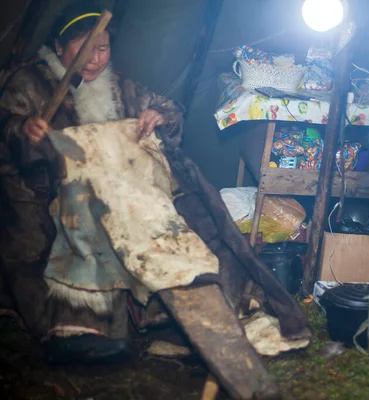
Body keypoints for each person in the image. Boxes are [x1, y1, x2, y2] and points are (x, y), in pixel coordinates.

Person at [0, 2, 310, 364]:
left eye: (103, 49)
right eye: (85, 49)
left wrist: (156, 116)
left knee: (193, 219)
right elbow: (7, 128)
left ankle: (205, 311)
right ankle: (86, 328)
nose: (96, 59)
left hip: (124, 190)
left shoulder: (116, 86)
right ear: (59, 47)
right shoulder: (29, 81)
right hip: (52, 191)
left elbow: (169, 110)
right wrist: (23, 130)